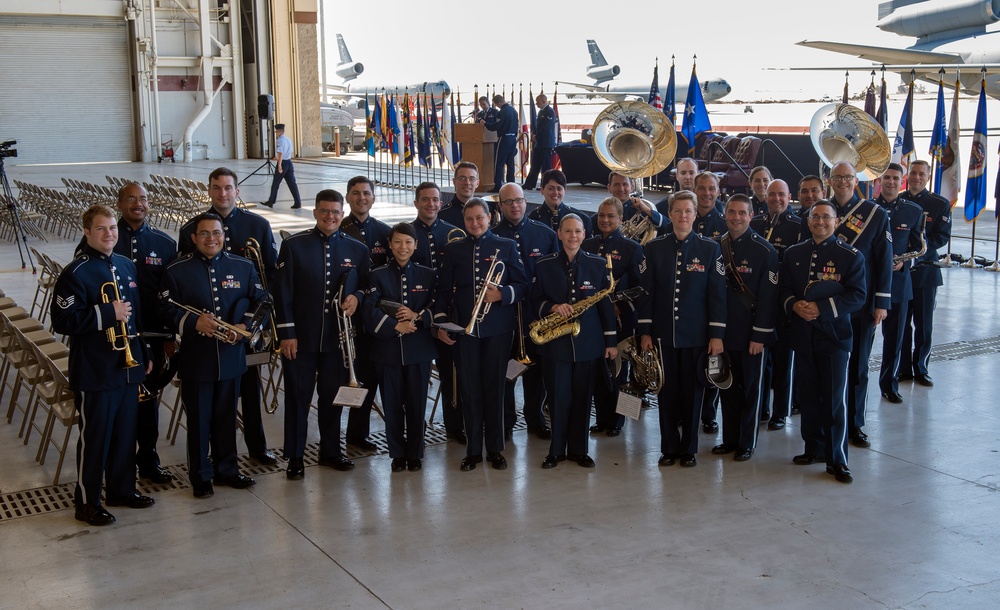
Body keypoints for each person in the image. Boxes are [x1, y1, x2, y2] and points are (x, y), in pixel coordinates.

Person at [52, 204, 154, 526]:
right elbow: (62, 320)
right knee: (96, 438)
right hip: (96, 370)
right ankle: (87, 502)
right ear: (86, 232)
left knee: (126, 433)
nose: (109, 234)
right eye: (101, 229)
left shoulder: (124, 265)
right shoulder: (75, 273)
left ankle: (122, 490)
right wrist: (107, 313)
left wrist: (144, 352)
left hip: (127, 366)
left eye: (112, 228)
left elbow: (134, 313)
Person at [159, 212, 268, 498]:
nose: (211, 238)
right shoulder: (177, 270)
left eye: (216, 233)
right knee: (198, 421)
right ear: (194, 238)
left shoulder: (243, 266)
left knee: (226, 417)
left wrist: (244, 327)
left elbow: (262, 301)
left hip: (232, 357)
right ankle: (201, 476)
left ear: (224, 236)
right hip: (197, 359)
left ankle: (227, 470)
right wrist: (194, 322)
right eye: (204, 234)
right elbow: (165, 310)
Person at [178, 167, 279, 466]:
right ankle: (212, 458)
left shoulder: (257, 224)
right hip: (210, 331)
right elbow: (186, 276)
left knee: (249, 390)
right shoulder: (190, 229)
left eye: (228, 188)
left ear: (237, 191)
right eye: (217, 188)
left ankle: (257, 448)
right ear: (209, 191)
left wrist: (255, 322)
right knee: (213, 401)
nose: (223, 193)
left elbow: (270, 273)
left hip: (245, 326)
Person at [274, 190, 370, 479]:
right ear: (315, 213)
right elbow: (282, 294)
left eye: (336, 212)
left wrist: (358, 298)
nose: (330, 217)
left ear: (343, 214)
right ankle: (294, 456)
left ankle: (331, 451)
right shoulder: (293, 246)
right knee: (298, 398)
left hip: (335, 341)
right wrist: (286, 333)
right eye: (325, 211)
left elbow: (366, 284)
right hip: (300, 339)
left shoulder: (357, 249)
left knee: (332, 397)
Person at [434, 198, 529, 471]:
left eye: (480, 218)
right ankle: (473, 450)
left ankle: (496, 449)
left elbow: (522, 285)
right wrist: (440, 323)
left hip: (498, 330)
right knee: (469, 390)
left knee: (495, 389)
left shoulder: (506, 246)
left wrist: (502, 293)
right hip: (465, 331)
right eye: (469, 219)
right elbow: (443, 291)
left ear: (490, 217)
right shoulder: (454, 250)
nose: (475, 223)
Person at [639, 191, 727, 468]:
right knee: (666, 393)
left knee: (693, 394)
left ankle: (689, 448)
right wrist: (645, 331)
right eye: (678, 211)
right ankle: (668, 447)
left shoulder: (710, 249)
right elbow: (647, 294)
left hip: (696, 336)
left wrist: (716, 335)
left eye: (688, 211)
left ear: (694, 214)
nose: (683, 216)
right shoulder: (654, 248)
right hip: (663, 335)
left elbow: (717, 296)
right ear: (671, 214)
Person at [781, 200, 867, 483]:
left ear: (837, 221)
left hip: (834, 337)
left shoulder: (850, 255)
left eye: (826, 217)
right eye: (815, 217)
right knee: (808, 396)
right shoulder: (794, 253)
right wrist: (794, 305)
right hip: (803, 335)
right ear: (808, 221)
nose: (820, 222)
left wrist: (821, 309)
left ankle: (837, 458)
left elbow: (857, 295)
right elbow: (784, 289)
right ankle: (813, 448)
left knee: (833, 399)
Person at [533, 214, 618, 468]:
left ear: (584, 234)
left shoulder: (598, 264)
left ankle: (579, 450)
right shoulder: (543, 264)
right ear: (559, 234)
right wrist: (551, 306)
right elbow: (533, 300)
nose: (573, 236)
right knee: (558, 399)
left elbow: (605, 306)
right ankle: (556, 450)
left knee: (583, 398)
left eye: (578, 231)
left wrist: (611, 342)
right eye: (567, 231)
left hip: (588, 344)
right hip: (555, 344)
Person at [112, 183, 178, 484]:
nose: (137, 204)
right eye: (131, 199)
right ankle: (119, 469)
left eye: (143, 199)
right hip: (113, 340)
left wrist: (168, 337)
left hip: (150, 339)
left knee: (147, 404)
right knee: (118, 407)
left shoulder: (164, 244)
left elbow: (171, 296)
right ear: (119, 203)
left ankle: (149, 462)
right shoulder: (107, 238)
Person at [827, 162, 892, 449]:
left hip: (860, 303)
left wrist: (881, 302)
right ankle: (825, 421)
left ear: (856, 180)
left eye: (848, 177)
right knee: (824, 365)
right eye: (837, 177)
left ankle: (855, 424)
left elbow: (884, 260)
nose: (842, 182)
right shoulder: (818, 211)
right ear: (830, 180)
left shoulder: (875, 214)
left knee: (858, 366)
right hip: (825, 304)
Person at [363, 223, 438, 472]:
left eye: (408, 242)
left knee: (417, 403)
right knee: (392, 404)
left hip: (419, 350)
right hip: (387, 351)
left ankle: (415, 453)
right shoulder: (377, 274)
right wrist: (396, 326)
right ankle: (396, 453)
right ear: (389, 245)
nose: (402, 247)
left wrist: (418, 316)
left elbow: (438, 307)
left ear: (416, 245)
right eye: (397, 242)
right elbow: (369, 310)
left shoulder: (428, 274)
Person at [712, 195, 778, 462]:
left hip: (751, 335)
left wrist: (759, 335)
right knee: (727, 387)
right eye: (731, 212)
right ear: (724, 214)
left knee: (752, 390)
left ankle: (746, 443)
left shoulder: (765, 251)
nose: (736, 217)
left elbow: (769, 298)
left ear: (751, 216)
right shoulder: (716, 247)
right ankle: (729, 440)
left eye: (742, 212)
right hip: (724, 335)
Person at [493, 182, 559, 440]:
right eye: (508, 202)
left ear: (526, 202)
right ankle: (506, 421)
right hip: (505, 317)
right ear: (500, 205)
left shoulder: (545, 235)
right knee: (506, 373)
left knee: (537, 373)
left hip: (537, 317)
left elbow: (555, 276)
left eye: (519, 200)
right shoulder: (494, 236)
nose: (515, 206)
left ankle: (536, 419)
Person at [582, 197, 645, 437]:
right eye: (601, 215)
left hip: (621, 320)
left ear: (620, 219)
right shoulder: (587, 244)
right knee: (600, 372)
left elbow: (641, 287)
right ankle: (602, 419)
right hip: (594, 321)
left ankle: (619, 422)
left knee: (621, 374)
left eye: (611, 216)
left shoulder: (632, 248)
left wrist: (619, 305)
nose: (605, 220)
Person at [410, 181, 466, 444]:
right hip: (418, 315)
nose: (430, 204)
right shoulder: (406, 232)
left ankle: (454, 426)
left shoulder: (455, 232)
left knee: (451, 371)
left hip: (446, 313)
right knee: (417, 376)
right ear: (416, 202)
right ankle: (415, 428)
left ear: (441, 203)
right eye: (425, 199)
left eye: (435, 200)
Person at [340, 176, 391, 451]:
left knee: (374, 375)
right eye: (356, 193)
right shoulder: (340, 228)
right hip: (350, 317)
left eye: (366, 193)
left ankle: (368, 432)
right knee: (355, 375)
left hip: (379, 317)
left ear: (373, 198)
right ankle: (353, 434)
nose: (362, 198)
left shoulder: (385, 232)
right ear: (347, 197)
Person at [749, 179, 804, 431]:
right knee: (762, 361)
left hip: (783, 304)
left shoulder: (799, 225)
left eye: (781, 195)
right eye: (772, 195)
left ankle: (781, 411)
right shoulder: (756, 222)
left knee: (784, 362)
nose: (776, 199)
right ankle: (761, 408)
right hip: (759, 303)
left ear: (789, 196)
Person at [875, 163, 926, 404]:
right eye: (887, 177)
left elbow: (918, 247)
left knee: (895, 339)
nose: (891, 182)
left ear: (902, 181)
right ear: (879, 180)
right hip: (869, 283)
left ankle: (889, 384)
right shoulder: (867, 209)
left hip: (898, 284)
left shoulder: (913, 211)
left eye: (896, 178)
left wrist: (904, 263)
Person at [900, 160, 952, 386]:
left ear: (928, 177)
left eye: (921, 174)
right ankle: (903, 369)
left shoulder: (939, 204)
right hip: (901, 273)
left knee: (924, 324)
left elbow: (942, 236)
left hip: (925, 272)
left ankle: (920, 368)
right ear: (908, 175)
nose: (917, 177)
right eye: (913, 173)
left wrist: (916, 249)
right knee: (901, 324)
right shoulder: (898, 200)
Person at [691, 172, 727, 434]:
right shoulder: (683, 217)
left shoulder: (726, 224)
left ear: (718, 191)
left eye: (711, 188)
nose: (706, 193)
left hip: (713, 304)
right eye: (701, 188)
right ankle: (689, 412)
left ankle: (709, 414)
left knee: (712, 362)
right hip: (688, 306)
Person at [528, 169, 593, 235]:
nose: (555, 192)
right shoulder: (532, 219)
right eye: (550, 188)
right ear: (542, 190)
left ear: (565, 190)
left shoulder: (582, 219)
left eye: (559, 189)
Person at [603, 171, 668, 236]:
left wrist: (648, 210)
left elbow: (669, 227)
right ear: (609, 188)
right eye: (616, 185)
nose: (621, 189)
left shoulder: (642, 210)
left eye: (625, 184)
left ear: (632, 187)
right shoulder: (602, 212)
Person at [261, 123, 302, 209]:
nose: (276, 133)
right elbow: (288, 152)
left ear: (279, 132)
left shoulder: (279, 140)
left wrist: (279, 165)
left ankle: (271, 201)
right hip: (289, 163)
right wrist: (279, 158)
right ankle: (298, 202)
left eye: (276, 132)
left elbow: (281, 152)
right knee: (292, 184)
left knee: (276, 183)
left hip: (283, 163)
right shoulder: (288, 139)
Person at [484, 94, 519, 192]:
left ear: (498, 103)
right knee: (510, 162)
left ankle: (498, 185)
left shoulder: (502, 112)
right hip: (513, 138)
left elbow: (497, 126)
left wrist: (486, 124)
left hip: (504, 138)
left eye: (496, 104)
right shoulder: (513, 110)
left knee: (499, 163)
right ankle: (511, 184)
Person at [523, 94, 557, 190]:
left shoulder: (549, 112)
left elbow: (546, 128)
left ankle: (546, 185)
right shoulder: (541, 112)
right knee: (535, 164)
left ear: (543, 101)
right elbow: (537, 126)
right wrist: (533, 134)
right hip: (539, 143)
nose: (536, 104)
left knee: (546, 166)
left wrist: (537, 136)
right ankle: (529, 183)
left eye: (538, 102)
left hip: (546, 143)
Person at [440, 161, 481, 228]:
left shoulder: (486, 211)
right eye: (462, 178)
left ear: (477, 183)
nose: (467, 182)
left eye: (471, 179)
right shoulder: (442, 214)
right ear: (454, 182)